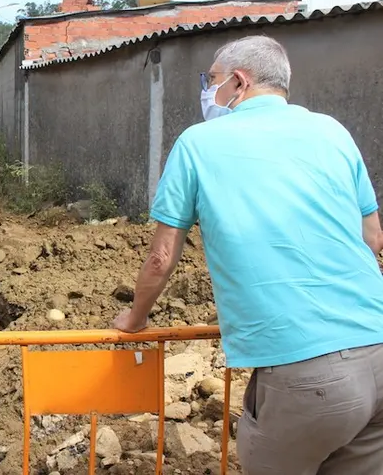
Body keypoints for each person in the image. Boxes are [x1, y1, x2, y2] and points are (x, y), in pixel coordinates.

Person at [113, 35, 383, 474]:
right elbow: (372, 239)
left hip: (305, 370)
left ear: (239, 82)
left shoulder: (199, 143)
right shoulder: (333, 131)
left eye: (212, 80)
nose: (208, 90)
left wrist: (135, 319)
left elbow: (162, 257)